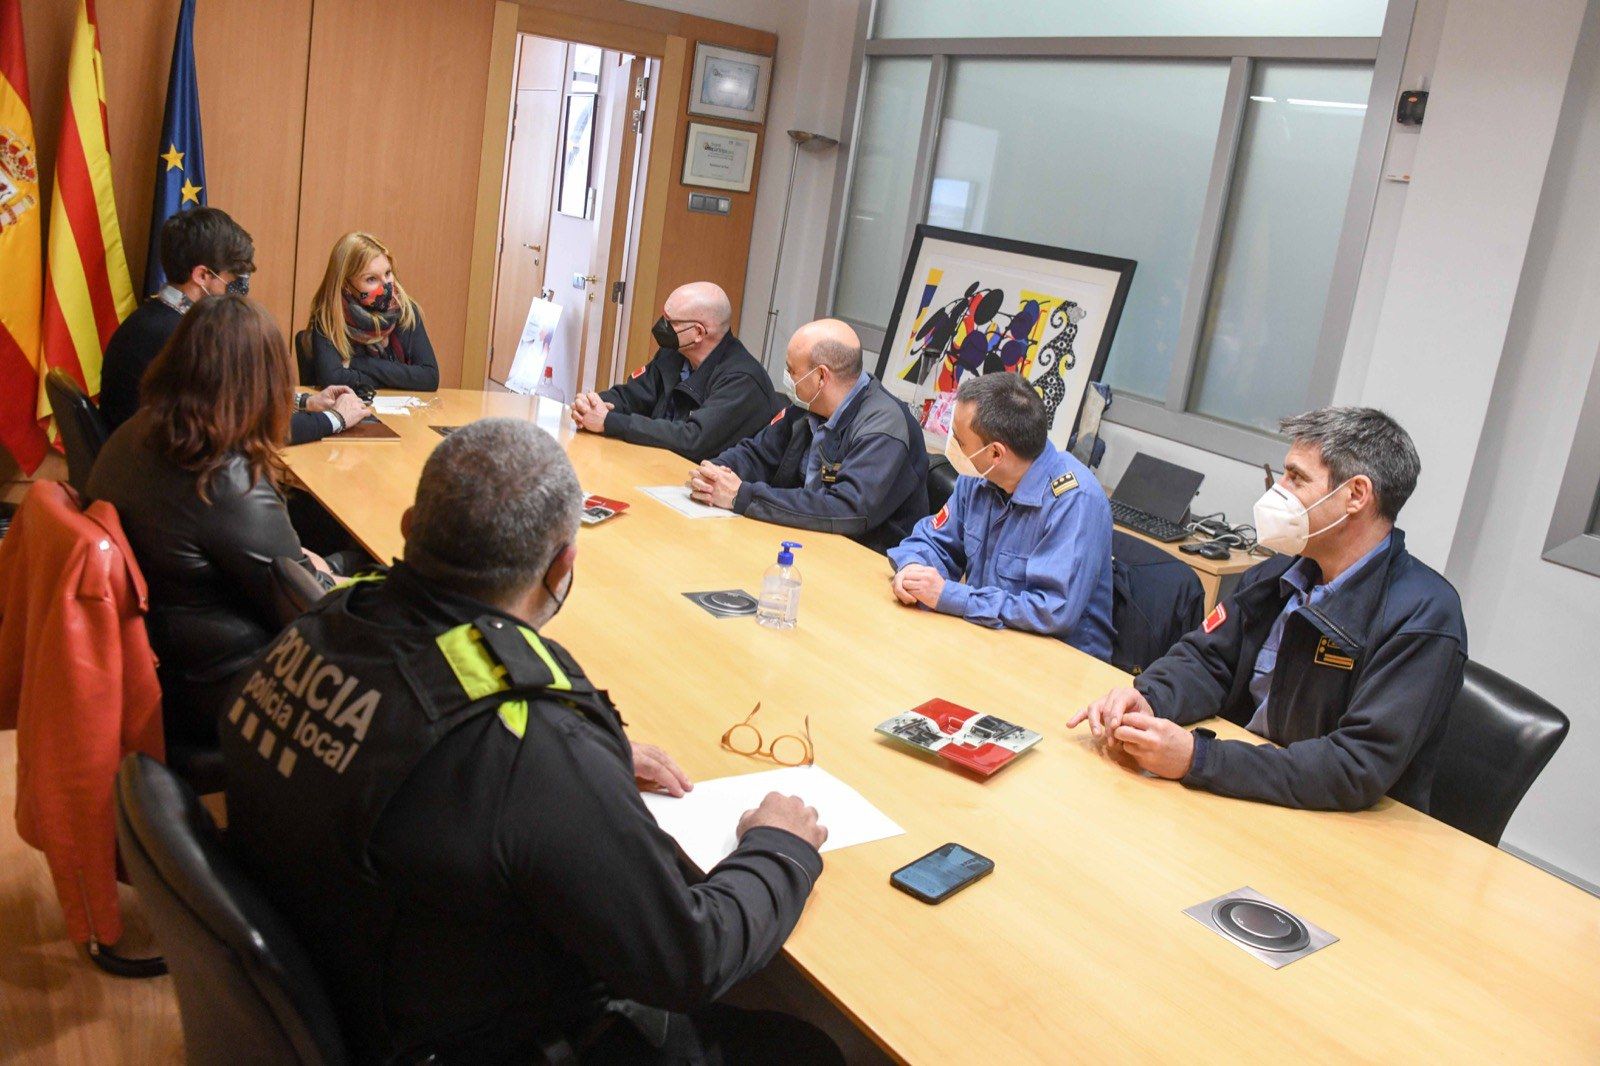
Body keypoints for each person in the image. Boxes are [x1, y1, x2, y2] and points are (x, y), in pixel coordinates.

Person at [218, 418, 840, 1064]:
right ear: (562, 563)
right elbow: (687, 961)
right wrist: (780, 848)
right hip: (462, 1036)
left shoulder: (321, 622)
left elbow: (411, 743)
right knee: (806, 1047)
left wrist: (582, 765)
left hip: (346, 976)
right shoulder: (527, 745)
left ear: (409, 527)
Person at [1069, 407, 1467, 813]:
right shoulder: (1282, 570)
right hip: (1245, 790)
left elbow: (1353, 767)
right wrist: (1150, 700)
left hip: (1333, 828)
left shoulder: (1424, 617)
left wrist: (1197, 759)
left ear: (1355, 496)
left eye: (1296, 477)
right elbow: (1207, 659)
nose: (1279, 489)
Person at [87, 296, 338, 748]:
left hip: (168, 656)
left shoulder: (139, 430)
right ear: (262, 382)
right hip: (224, 685)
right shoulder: (224, 477)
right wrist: (329, 571)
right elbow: (304, 607)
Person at [887, 373, 1114, 659]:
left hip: (1059, 664)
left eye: (959, 440)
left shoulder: (1074, 501)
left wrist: (949, 596)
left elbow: (1051, 612)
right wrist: (912, 570)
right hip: (988, 642)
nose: (952, 445)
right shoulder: (979, 474)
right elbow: (934, 541)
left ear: (995, 453)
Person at [100, 207, 371, 441]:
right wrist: (335, 419)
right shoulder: (179, 339)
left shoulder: (154, 319)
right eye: (231, 279)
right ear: (202, 275)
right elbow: (246, 429)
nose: (238, 289)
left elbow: (237, 401)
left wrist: (304, 402)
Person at [690, 319, 928, 552]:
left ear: (821, 377)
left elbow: (846, 510)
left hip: (860, 559)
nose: (787, 377)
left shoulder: (884, 427)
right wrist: (714, 473)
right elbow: (758, 453)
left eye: (792, 370)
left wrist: (742, 496)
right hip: (802, 537)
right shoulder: (807, 406)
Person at [570, 281, 779, 461]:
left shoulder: (743, 380)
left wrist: (610, 422)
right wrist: (593, 405)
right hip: (655, 464)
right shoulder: (674, 354)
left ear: (698, 332)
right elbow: (633, 395)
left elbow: (692, 440)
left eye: (671, 322)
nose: (662, 326)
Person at [306, 231, 440, 392]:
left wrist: (358, 364)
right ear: (346, 285)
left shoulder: (405, 310)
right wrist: (399, 378)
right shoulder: (329, 317)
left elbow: (429, 377)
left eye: (388, 273)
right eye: (371, 279)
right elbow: (332, 379)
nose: (386, 285)